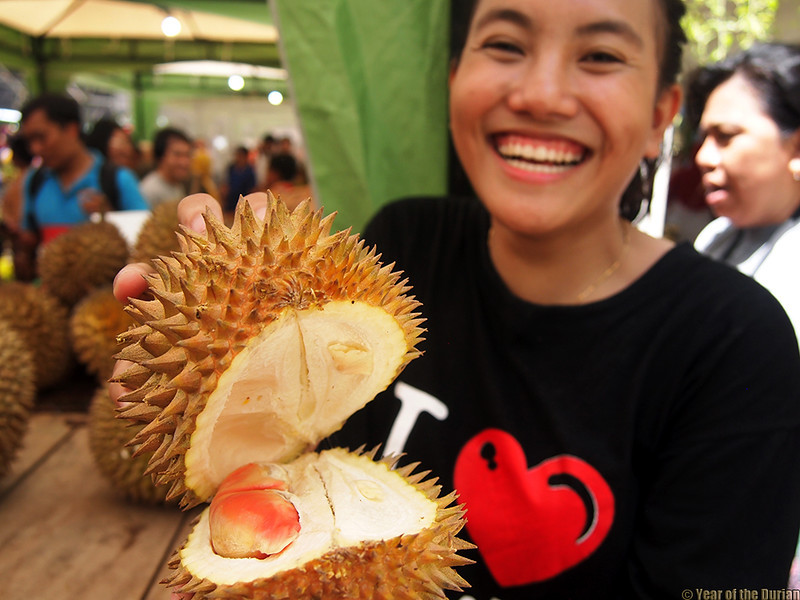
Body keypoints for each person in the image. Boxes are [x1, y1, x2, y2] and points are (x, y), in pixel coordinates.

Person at [113, 1, 800, 597]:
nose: (541, 94)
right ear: (452, 83)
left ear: (660, 116)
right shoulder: (403, 245)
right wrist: (199, 375)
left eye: (600, 55)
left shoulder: (736, 344)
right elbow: (289, 470)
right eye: (505, 44)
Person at [688, 43, 800, 340]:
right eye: (704, 138)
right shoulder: (716, 238)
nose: (703, 157)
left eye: (725, 136)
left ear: (797, 149)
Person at [19, 92, 147, 245]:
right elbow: (29, 237)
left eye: (41, 137)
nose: (35, 148)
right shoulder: (35, 181)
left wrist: (110, 217)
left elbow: (146, 238)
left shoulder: (118, 179)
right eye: (29, 141)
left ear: (71, 130)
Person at [138, 127, 193, 208]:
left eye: (187, 155)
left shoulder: (177, 185)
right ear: (161, 156)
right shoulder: (150, 190)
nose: (184, 162)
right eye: (177, 155)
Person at [223, 145, 256, 213]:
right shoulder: (231, 168)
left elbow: (252, 188)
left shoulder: (249, 171)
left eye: (241, 156)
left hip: (244, 198)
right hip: (231, 199)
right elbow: (226, 182)